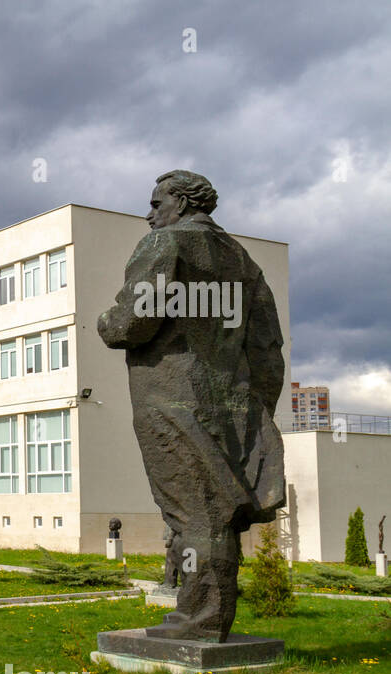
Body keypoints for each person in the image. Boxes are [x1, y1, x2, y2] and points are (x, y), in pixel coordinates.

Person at [98, 170, 284, 641]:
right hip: (233, 404)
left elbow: (133, 321)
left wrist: (106, 323)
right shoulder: (244, 261)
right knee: (216, 511)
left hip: (170, 399)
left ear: (180, 202)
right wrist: (258, 406)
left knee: (193, 511)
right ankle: (207, 614)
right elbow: (266, 347)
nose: (150, 214)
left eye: (157, 204)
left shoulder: (165, 245)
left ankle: (202, 619)